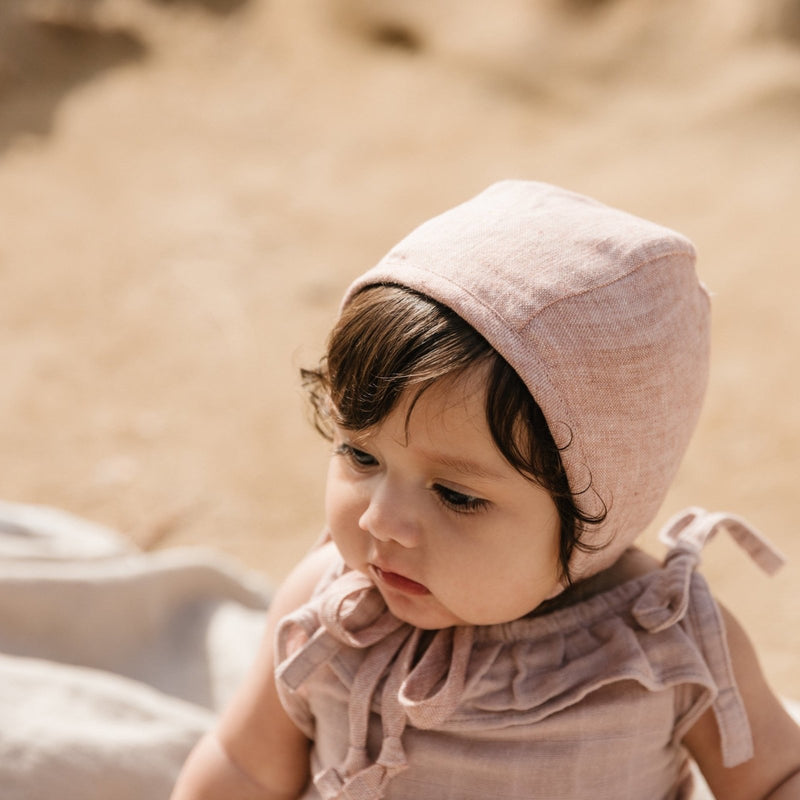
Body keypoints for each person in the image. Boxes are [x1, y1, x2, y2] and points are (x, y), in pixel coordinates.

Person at [170, 181, 800, 799]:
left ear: (598, 510)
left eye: (457, 495)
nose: (381, 521)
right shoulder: (330, 614)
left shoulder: (663, 641)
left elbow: (774, 779)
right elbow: (243, 767)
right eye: (361, 454)